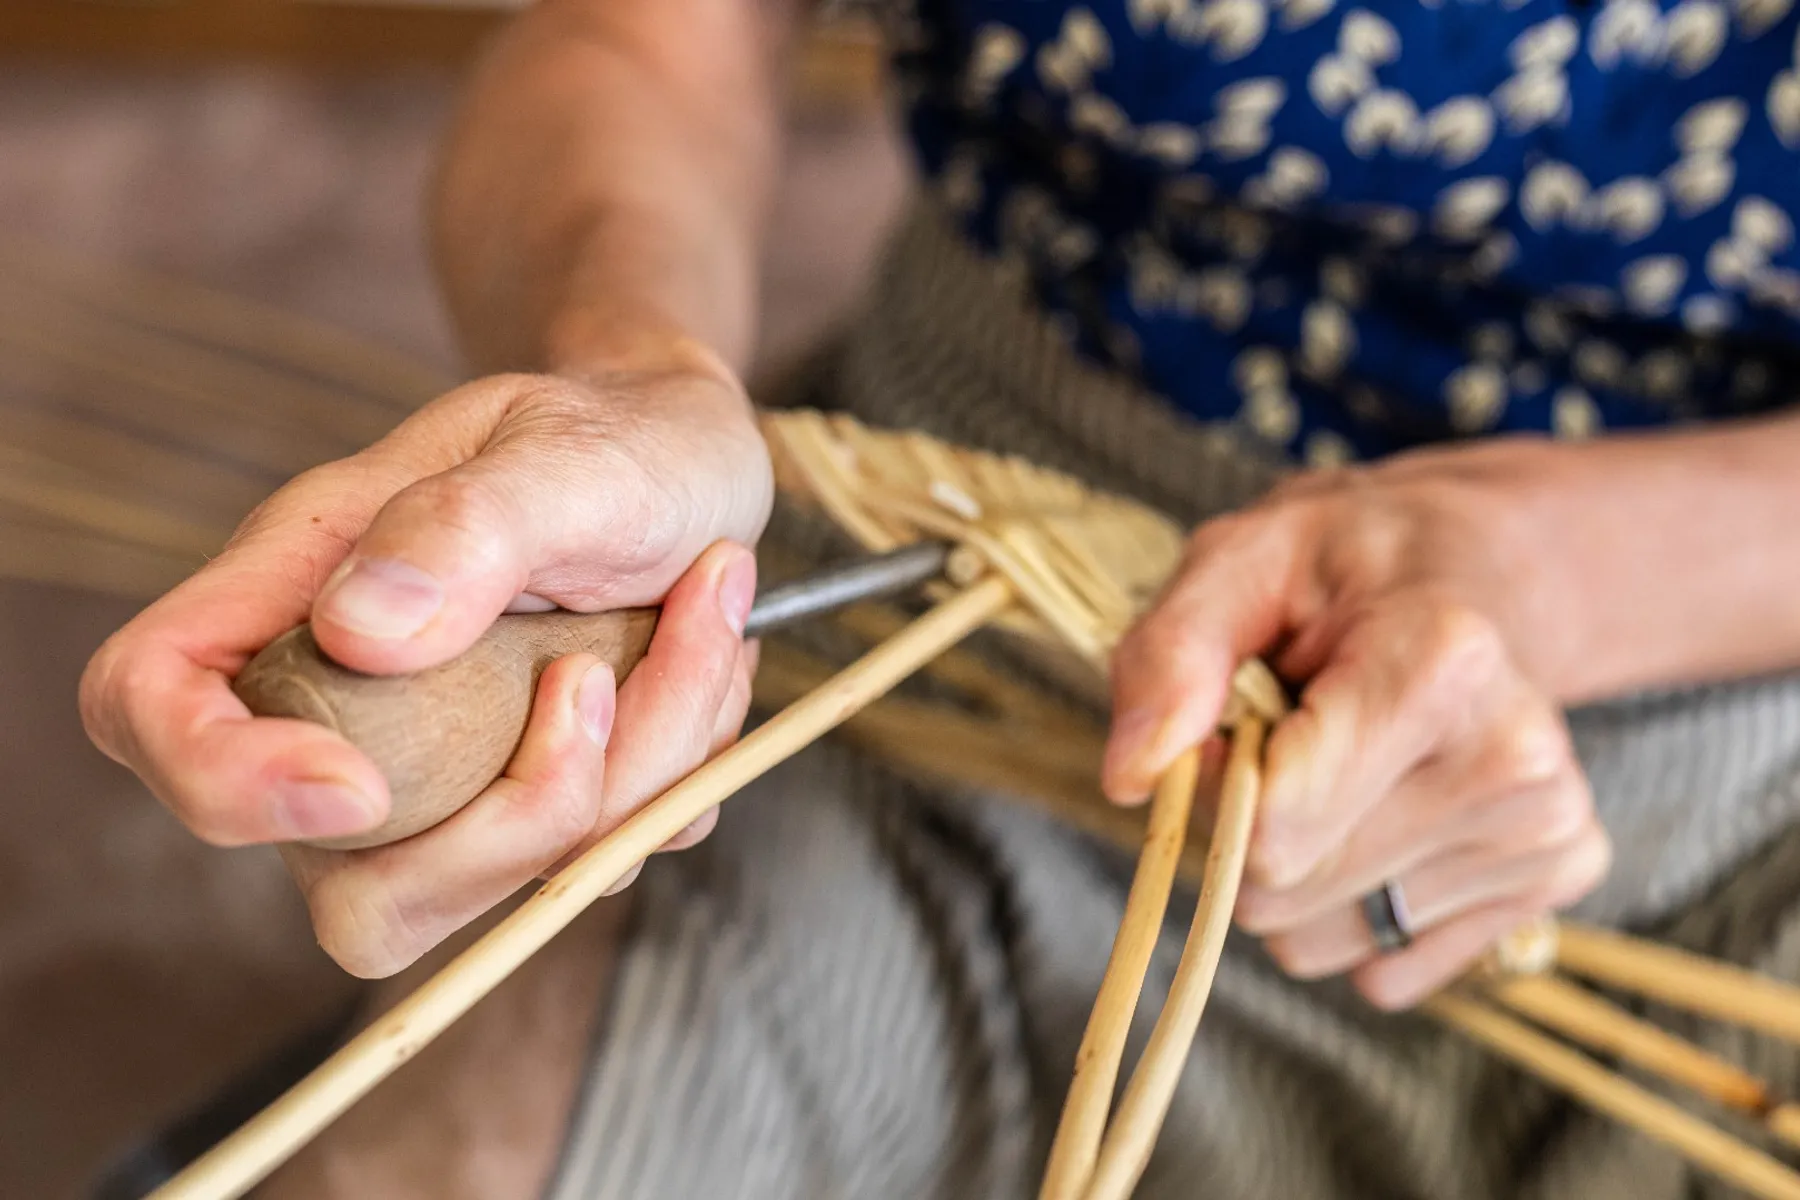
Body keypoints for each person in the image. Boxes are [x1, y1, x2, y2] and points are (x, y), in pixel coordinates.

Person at [79, 1, 1800, 1196]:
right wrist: (636, 370)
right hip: (980, 558)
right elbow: (650, 33)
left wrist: (1549, 562)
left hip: (1737, 648)